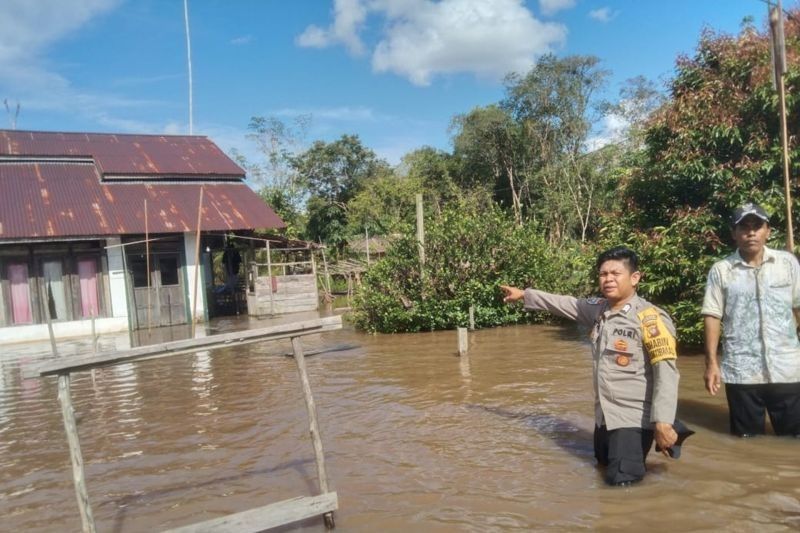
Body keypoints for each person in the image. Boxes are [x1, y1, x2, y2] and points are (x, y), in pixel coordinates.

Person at [501, 246, 683, 486]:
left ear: (635, 278)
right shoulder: (600, 310)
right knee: (604, 471)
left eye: (615, 273)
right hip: (604, 417)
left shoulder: (651, 319)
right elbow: (564, 303)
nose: (608, 279)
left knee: (623, 486)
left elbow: (666, 373)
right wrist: (525, 294)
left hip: (632, 419)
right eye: (603, 274)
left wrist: (662, 421)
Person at [701, 202, 800, 438]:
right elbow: (712, 315)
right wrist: (711, 363)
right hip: (741, 371)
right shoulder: (721, 270)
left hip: (788, 369)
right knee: (745, 442)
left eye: (757, 226)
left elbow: (798, 307)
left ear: (768, 231)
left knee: (795, 440)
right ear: (734, 234)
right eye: (744, 227)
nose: (751, 232)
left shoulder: (788, 263)